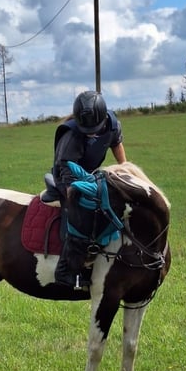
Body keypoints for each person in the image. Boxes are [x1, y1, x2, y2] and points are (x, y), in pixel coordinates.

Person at [51, 90, 127, 289]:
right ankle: (66, 270)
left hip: (92, 174)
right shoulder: (72, 135)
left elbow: (116, 142)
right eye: (87, 129)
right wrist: (74, 196)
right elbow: (67, 171)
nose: (91, 132)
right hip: (68, 176)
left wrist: (125, 169)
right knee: (79, 215)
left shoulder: (111, 123)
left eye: (94, 128)